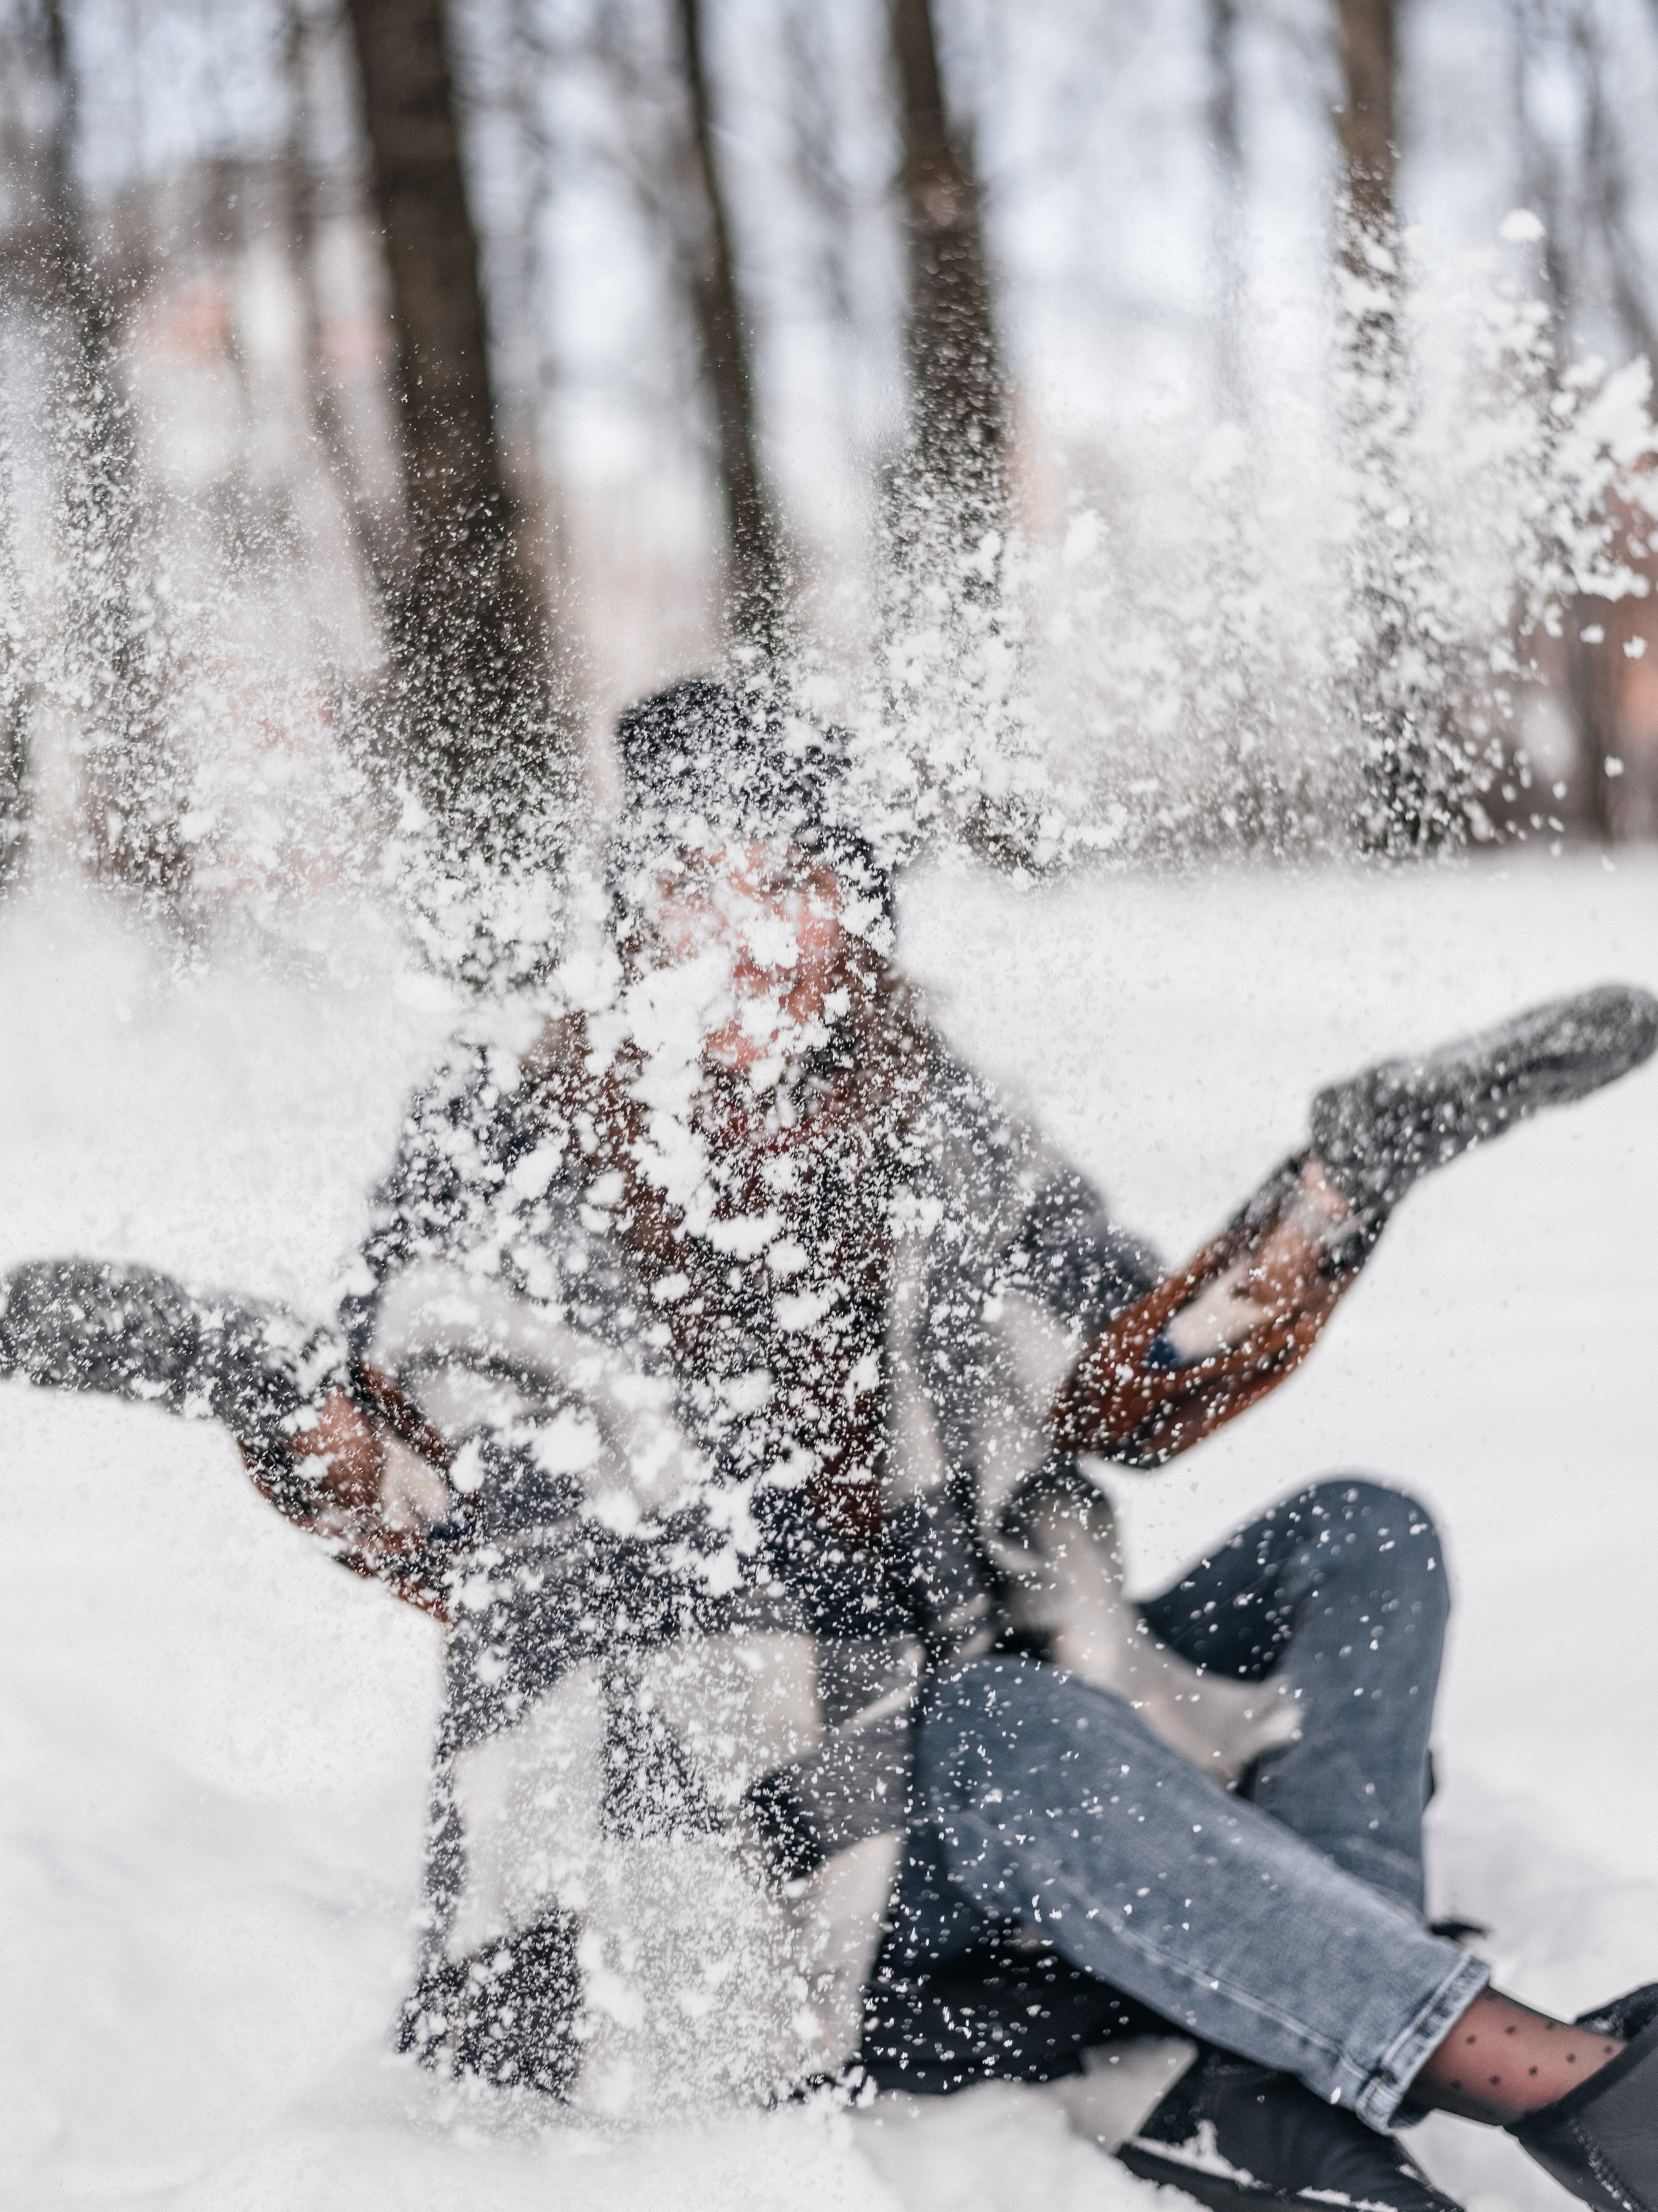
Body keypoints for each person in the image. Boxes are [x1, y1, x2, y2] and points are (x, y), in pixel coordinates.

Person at [5, 677, 1657, 2212]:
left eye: (793, 881)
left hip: (1013, 1764)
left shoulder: (931, 1120)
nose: (752, 932)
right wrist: (266, 1386)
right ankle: (1554, 2085)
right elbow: (440, 1512)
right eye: (699, 886)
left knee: (1360, 1535)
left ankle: (1292, 2010)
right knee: (1004, 1725)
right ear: (635, 917)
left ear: (855, 915)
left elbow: (1123, 1395)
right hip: (721, 1835)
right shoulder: (508, 1138)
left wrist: (1343, 1186)